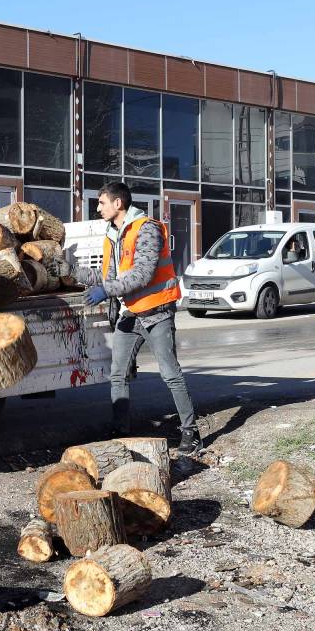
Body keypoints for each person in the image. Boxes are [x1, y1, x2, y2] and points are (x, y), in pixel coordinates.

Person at [74, 182, 203, 453]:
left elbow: (141, 275)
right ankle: (120, 429)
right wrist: (70, 271)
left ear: (118, 204)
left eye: (101, 202)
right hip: (130, 314)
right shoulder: (113, 234)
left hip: (157, 314)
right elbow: (108, 277)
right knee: (118, 373)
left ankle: (191, 432)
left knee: (170, 374)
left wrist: (106, 290)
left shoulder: (147, 229)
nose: (97, 208)